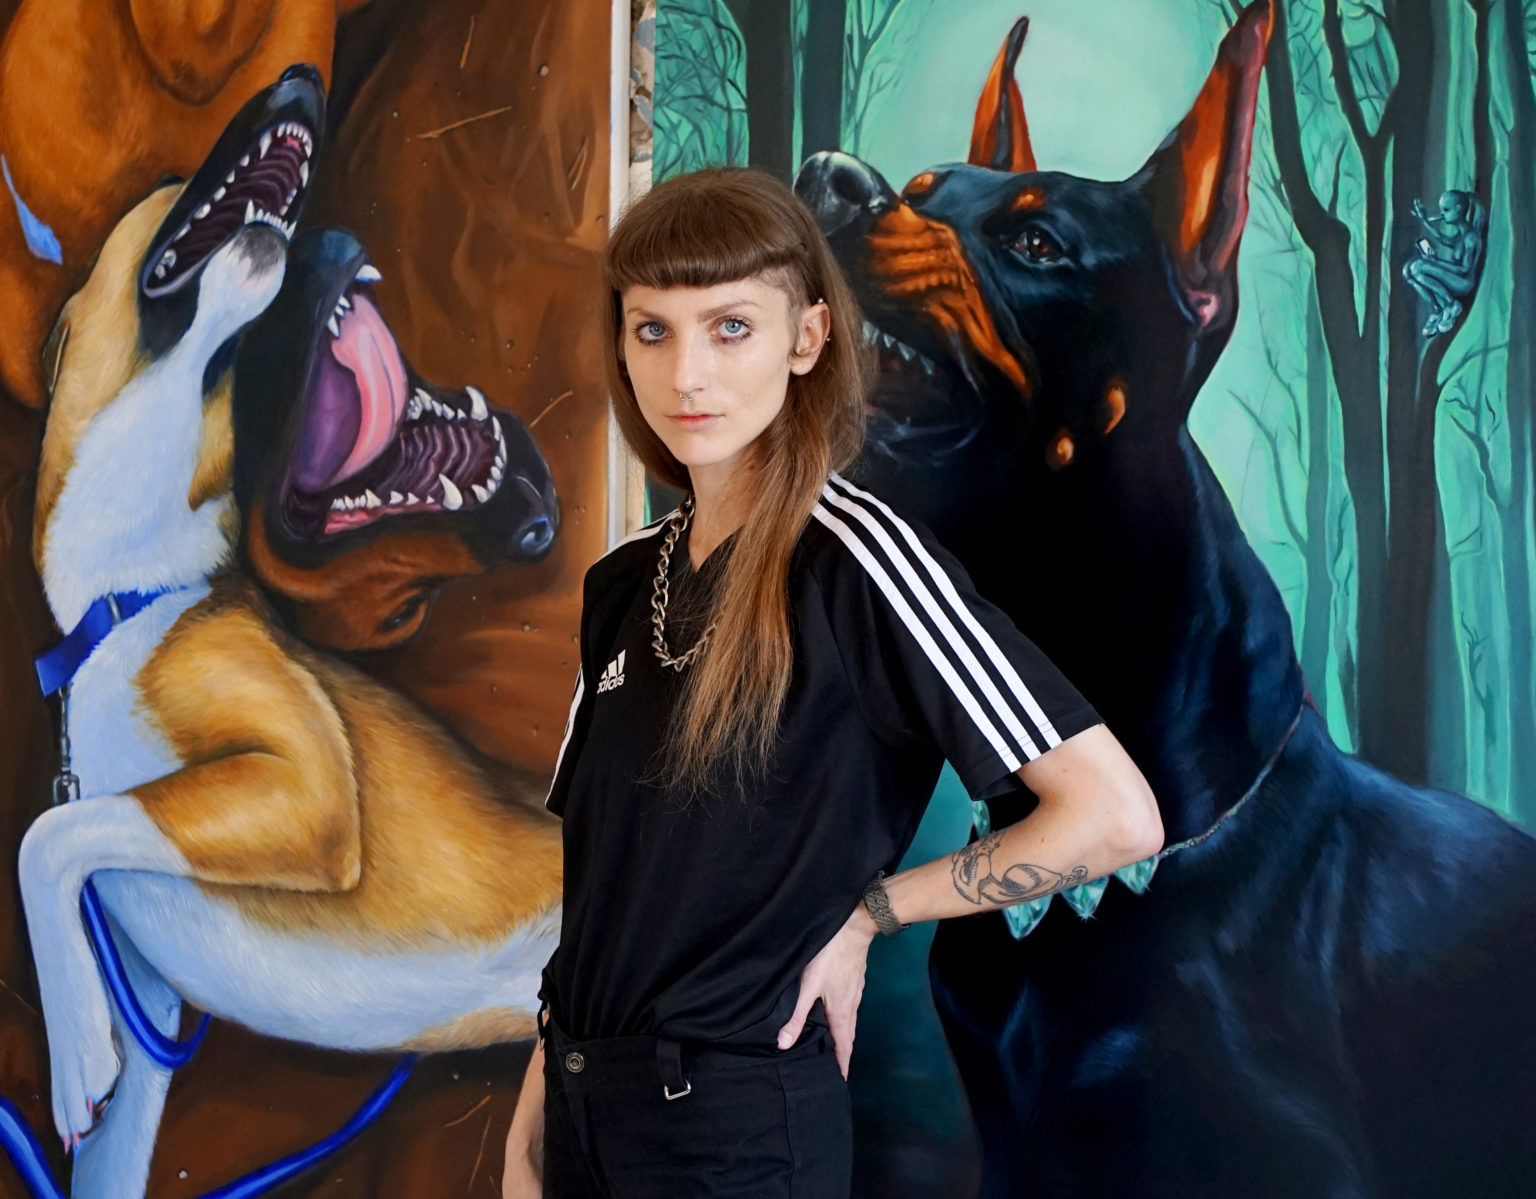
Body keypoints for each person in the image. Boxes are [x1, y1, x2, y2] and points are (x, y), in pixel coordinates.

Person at [501, 166, 1163, 1199]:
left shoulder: (858, 558)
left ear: (806, 338)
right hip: (582, 1103)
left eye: (730, 327)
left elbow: (1114, 816)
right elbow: (608, 884)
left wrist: (873, 913)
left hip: (733, 1125)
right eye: (652, 330)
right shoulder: (620, 583)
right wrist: (538, 1108)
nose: (686, 374)